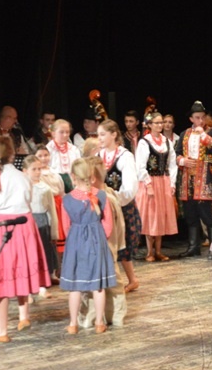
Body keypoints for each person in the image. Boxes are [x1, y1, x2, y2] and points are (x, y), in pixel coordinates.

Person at [0, 135, 50, 342]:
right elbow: (27, 200)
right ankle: (24, 316)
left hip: (0, 228)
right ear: (12, 154)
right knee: (20, 269)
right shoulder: (22, 177)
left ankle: (2, 330)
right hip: (23, 225)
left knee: (1, 276)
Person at [60, 157, 117, 334]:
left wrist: (74, 238)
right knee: (97, 285)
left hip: (76, 241)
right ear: (91, 176)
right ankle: (99, 323)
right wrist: (101, 237)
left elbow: (66, 226)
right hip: (96, 240)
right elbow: (108, 224)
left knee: (75, 286)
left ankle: (73, 324)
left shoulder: (67, 199)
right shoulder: (101, 195)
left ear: (73, 176)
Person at [97, 119, 143, 292]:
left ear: (114, 134)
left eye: (103, 134)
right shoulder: (98, 155)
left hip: (121, 206)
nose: (100, 138)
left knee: (124, 244)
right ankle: (111, 281)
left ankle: (131, 279)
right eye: (99, 135)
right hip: (103, 207)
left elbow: (130, 186)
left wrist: (115, 200)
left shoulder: (125, 156)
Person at [174, 101, 212, 257]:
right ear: (191, 119)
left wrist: (204, 135)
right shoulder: (184, 134)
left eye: (203, 117)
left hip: (205, 177)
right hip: (188, 178)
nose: (201, 121)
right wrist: (182, 161)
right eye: (197, 117)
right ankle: (193, 246)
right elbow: (177, 153)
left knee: (208, 214)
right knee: (191, 213)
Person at [134, 112, 178, 261]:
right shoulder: (144, 142)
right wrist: (148, 183)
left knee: (161, 215)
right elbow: (140, 166)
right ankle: (149, 252)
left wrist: (172, 183)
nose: (160, 125)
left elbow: (172, 164)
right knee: (151, 215)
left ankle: (158, 251)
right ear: (150, 125)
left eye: (162, 122)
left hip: (163, 181)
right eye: (157, 123)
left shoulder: (167, 142)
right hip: (150, 182)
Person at [23, 154, 58, 286]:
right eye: (34, 169)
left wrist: (54, 232)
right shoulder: (22, 187)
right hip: (28, 221)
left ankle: (47, 275)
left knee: (45, 248)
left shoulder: (45, 188)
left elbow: (52, 211)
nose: (38, 172)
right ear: (25, 171)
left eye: (39, 169)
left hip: (42, 221)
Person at [46, 118, 81, 192]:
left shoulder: (74, 149)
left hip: (73, 186)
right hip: (55, 187)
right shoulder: (48, 150)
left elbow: (79, 168)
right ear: (53, 133)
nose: (65, 135)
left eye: (67, 132)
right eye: (61, 132)